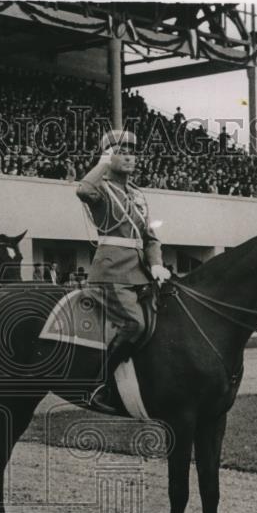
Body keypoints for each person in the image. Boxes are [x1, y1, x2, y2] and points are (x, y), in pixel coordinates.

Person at [75, 130, 170, 415]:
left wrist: (156, 263)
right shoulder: (101, 188)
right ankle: (98, 384)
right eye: (121, 151)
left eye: (132, 151)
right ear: (108, 156)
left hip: (141, 272)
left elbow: (150, 236)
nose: (129, 156)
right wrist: (103, 163)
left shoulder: (138, 194)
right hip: (112, 272)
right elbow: (82, 190)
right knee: (135, 325)